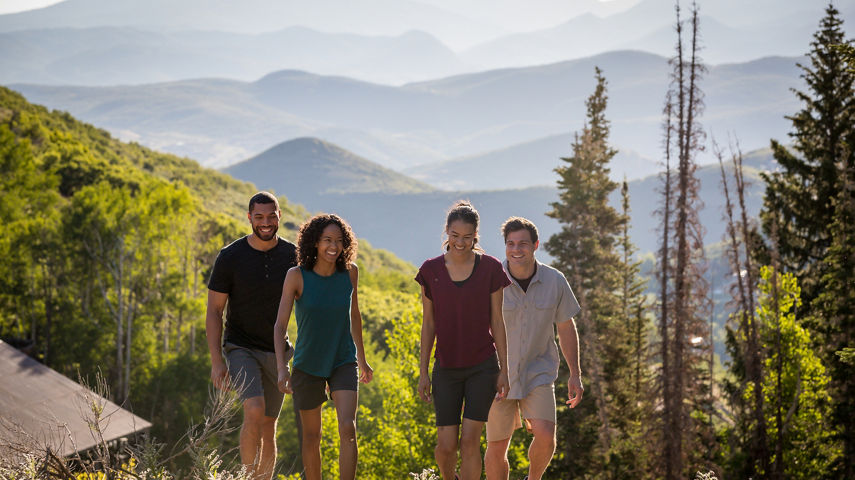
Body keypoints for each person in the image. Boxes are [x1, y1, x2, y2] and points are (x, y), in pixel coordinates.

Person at [416, 201, 512, 480]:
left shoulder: (491, 268)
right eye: (455, 236)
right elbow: (429, 323)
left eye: (467, 237)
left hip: (482, 366)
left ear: (475, 235)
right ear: (447, 232)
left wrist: (504, 368)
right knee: (445, 447)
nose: (460, 242)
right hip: (445, 368)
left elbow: (497, 320)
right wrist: (423, 371)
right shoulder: (430, 270)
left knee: (470, 442)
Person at [273, 213, 373, 480]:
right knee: (311, 436)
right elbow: (280, 327)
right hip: (307, 364)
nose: (333, 246)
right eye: (327, 240)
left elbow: (355, 316)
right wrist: (282, 369)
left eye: (339, 241)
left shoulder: (350, 272)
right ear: (315, 242)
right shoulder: (296, 276)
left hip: (343, 360)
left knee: (348, 429)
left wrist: (362, 360)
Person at [205, 191, 297, 480]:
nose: (266, 222)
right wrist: (217, 361)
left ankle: (263, 478)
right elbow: (214, 311)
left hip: (278, 351)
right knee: (254, 410)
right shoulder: (230, 257)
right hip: (240, 347)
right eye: (259, 217)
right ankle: (246, 476)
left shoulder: (293, 256)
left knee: (269, 425)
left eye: (272, 216)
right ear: (249, 218)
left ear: (280, 216)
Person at [484, 217, 583, 480]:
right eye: (511, 244)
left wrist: (575, 374)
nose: (516, 249)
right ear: (505, 246)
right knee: (495, 447)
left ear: (536, 245)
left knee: (546, 437)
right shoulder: (490, 280)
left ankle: (533, 479)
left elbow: (565, 328)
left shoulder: (555, 281)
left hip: (538, 372)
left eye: (523, 244)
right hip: (496, 375)